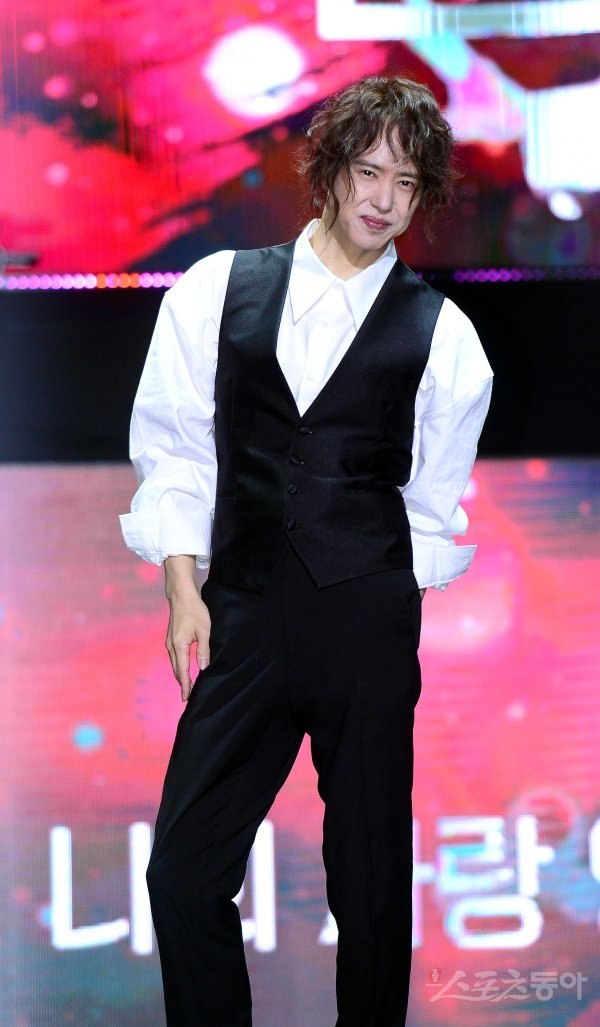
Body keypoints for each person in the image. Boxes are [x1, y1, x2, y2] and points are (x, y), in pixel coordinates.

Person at [119, 75, 493, 1027]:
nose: (383, 199)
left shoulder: (445, 337)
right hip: (242, 611)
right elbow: (177, 450)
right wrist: (183, 588)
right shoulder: (217, 289)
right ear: (328, 170)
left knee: (369, 888)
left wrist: (377, 610)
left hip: (362, 618)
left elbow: (432, 504)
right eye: (368, 171)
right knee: (182, 869)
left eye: (405, 183)